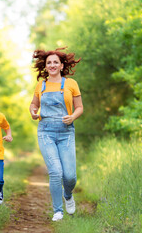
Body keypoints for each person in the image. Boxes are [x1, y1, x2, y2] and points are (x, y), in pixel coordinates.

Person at [29, 47, 83, 221]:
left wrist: (72, 116)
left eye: (55, 62)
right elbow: (33, 105)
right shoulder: (41, 85)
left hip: (66, 132)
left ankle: (68, 194)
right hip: (46, 132)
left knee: (70, 176)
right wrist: (33, 112)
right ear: (45, 66)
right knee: (55, 172)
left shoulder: (71, 84)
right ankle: (58, 211)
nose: (52, 65)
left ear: (61, 65)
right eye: (49, 63)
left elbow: (80, 107)